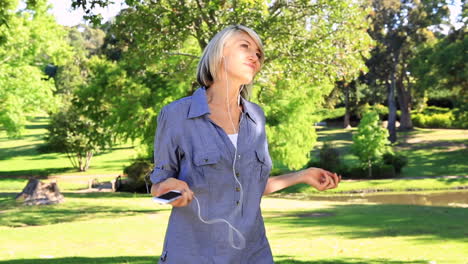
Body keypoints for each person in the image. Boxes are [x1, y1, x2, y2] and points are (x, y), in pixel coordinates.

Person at [150, 25, 341, 264]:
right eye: (245, 46)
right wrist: (170, 187)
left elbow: (247, 187)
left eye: (259, 54)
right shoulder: (177, 114)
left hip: (253, 254)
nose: (255, 56)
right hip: (193, 254)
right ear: (220, 53)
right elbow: (158, 189)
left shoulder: (256, 117)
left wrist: (303, 175)